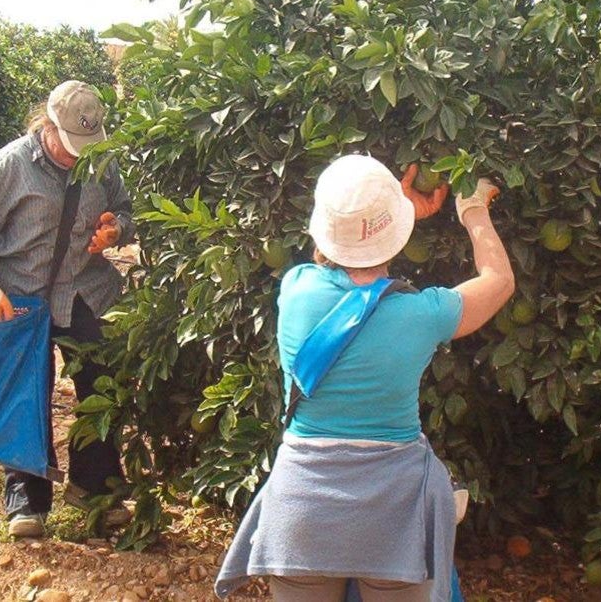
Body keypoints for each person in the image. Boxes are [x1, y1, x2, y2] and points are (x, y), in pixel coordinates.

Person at [215, 154, 515, 601]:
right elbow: (499, 279)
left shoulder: (295, 289)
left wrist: (384, 215)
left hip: (303, 511)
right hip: (392, 516)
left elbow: (339, 256)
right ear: (396, 232)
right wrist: (471, 208)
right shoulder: (421, 314)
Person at [0, 80, 133, 539]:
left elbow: (127, 212)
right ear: (48, 126)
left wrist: (115, 231)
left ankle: (95, 488)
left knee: (102, 384)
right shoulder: (11, 165)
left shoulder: (102, 165)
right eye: (71, 145)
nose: (78, 156)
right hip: (22, 297)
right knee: (25, 395)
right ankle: (27, 503)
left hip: (85, 290)